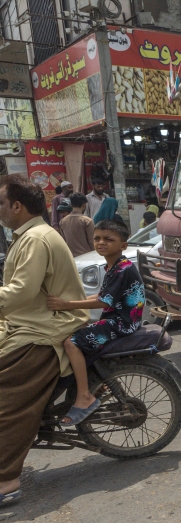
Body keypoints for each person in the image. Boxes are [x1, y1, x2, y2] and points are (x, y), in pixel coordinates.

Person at [0, 174, 89, 505]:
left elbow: (20, 291)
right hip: (26, 324)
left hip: (43, 331)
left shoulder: (36, 238)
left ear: (17, 206)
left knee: (5, 401)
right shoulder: (27, 236)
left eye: (1, 204)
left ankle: (7, 480)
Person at [47, 217, 145, 426]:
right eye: (97, 238)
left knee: (71, 343)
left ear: (123, 245)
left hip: (122, 322)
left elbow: (102, 301)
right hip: (118, 318)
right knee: (78, 330)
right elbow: (100, 295)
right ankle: (97, 383)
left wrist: (66, 305)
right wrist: (69, 302)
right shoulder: (114, 265)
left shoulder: (122, 269)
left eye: (108, 239)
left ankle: (84, 396)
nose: (101, 243)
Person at [59, 193, 95, 257]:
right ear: (84, 205)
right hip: (88, 258)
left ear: (71, 204)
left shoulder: (62, 222)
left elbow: (64, 243)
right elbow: (93, 243)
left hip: (72, 258)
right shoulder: (87, 221)